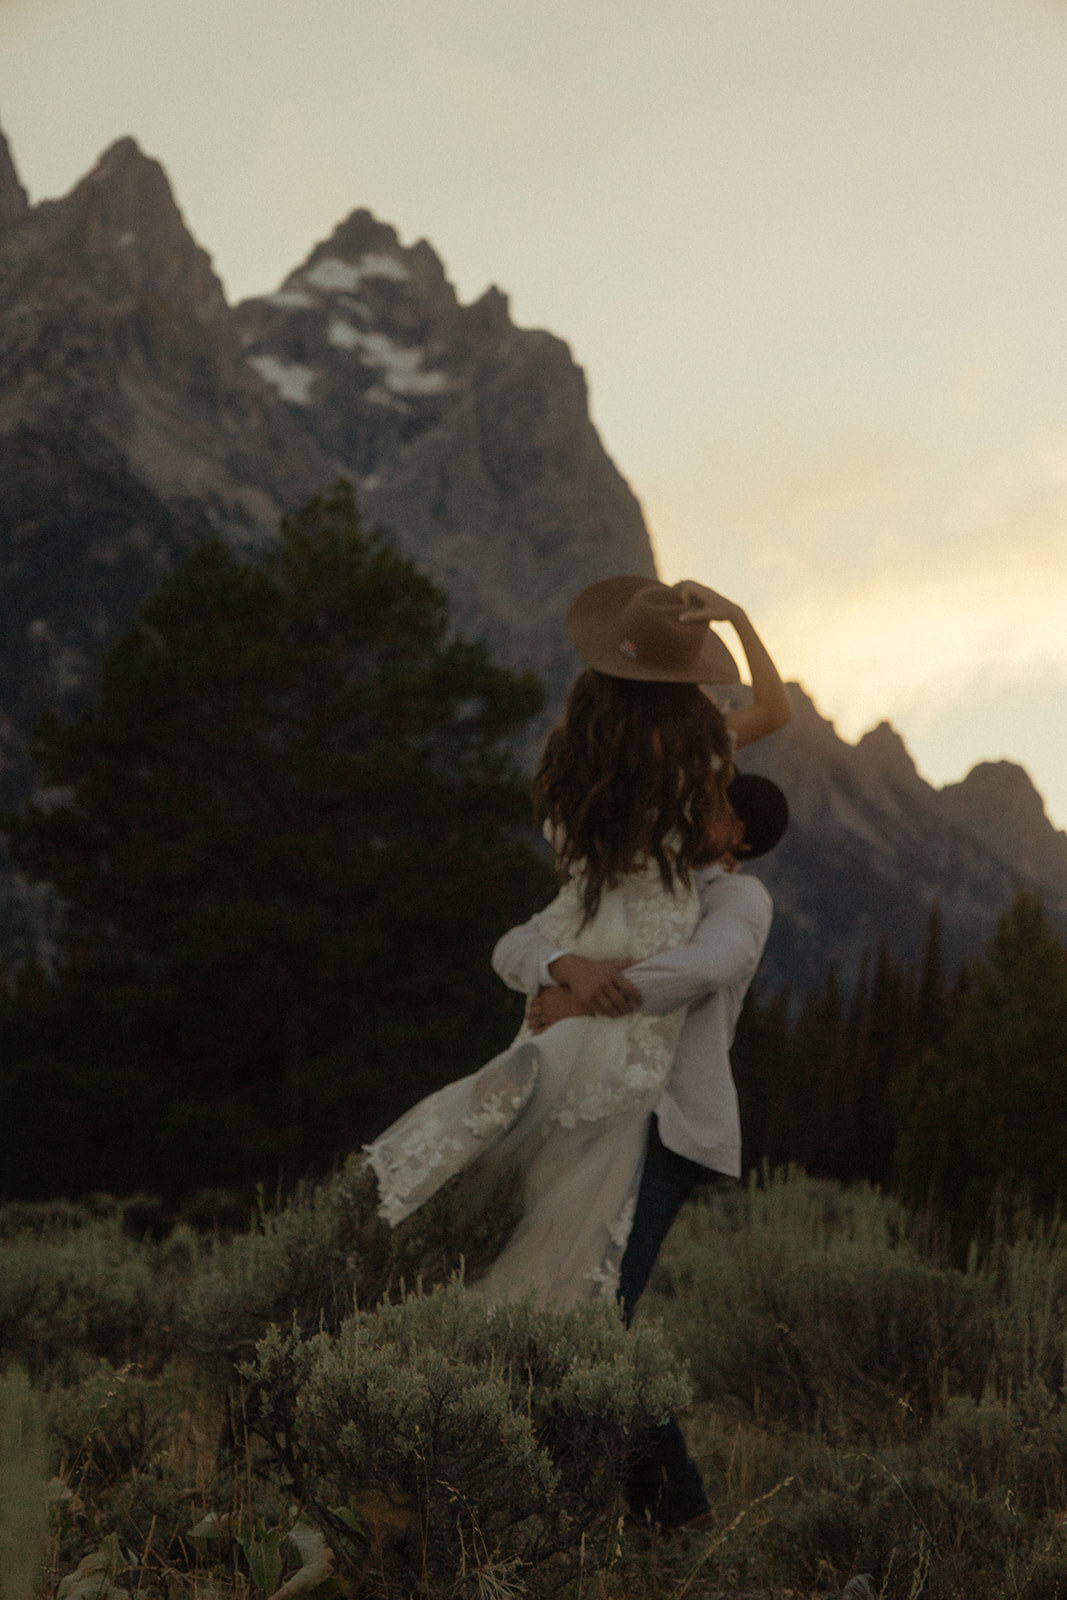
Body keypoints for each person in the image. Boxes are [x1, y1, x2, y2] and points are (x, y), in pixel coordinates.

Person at [364, 575, 790, 1319]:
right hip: (611, 1000)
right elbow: (776, 709)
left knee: (539, 1213)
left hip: (579, 960)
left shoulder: (574, 770)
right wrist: (739, 620)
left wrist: (567, 977)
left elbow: (547, 927)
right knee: (574, 1257)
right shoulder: (694, 753)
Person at [495, 767, 789, 1528]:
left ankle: (674, 1515)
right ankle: (639, 1513)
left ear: (740, 839)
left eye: (719, 807)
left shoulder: (738, 898)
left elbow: (707, 966)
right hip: (598, 1116)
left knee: (595, 1318)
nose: (700, 809)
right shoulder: (642, 880)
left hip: (670, 1127)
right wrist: (563, 967)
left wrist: (587, 991)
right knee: (573, 1314)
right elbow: (518, 941)